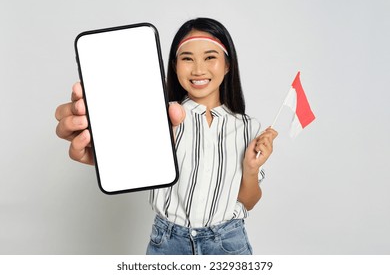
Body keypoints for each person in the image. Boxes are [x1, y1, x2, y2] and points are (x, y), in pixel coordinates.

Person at [55, 17, 277, 255]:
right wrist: (111, 145)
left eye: (210, 57)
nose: (198, 69)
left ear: (227, 65)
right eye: (187, 58)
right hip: (168, 243)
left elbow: (249, 201)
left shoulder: (248, 127)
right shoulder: (158, 116)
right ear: (174, 65)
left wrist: (251, 169)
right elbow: (132, 160)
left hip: (228, 243)